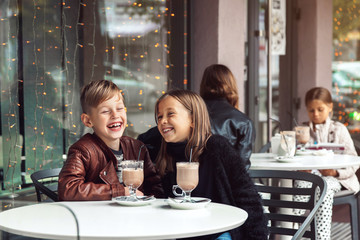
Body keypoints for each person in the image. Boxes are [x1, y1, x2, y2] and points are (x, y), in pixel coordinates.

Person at [155, 89, 268, 240]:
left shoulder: (216, 147)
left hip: (217, 234)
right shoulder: (162, 153)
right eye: (159, 116)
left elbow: (246, 195)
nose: (162, 121)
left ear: (193, 120)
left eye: (170, 114)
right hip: (179, 233)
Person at [58, 80, 164, 201]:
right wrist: (119, 191)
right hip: (98, 217)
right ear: (88, 120)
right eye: (105, 111)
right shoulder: (83, 150)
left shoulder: (137, 147)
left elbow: (156, 188)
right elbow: (67, 189)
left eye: (119, 108)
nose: (115, 115)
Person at [294, 87, 359, 239]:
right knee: (300, 185)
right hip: (310, 178)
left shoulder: (339, 130)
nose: (315, 114)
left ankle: (322, 237)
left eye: (320, 109)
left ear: (330, 107)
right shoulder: (302, 130)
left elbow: (354, 161)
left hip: (337, 179)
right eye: (311, 110)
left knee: (323, 187)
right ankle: (294, 231)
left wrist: (336, 172)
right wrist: (300, 170)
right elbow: (293, 157)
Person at [200, 64, 255, 170]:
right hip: (226, 185)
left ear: (203, 84)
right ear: (231, 85)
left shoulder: (188, 115)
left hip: (189, 182)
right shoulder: (243, 122)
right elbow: (241, 168)